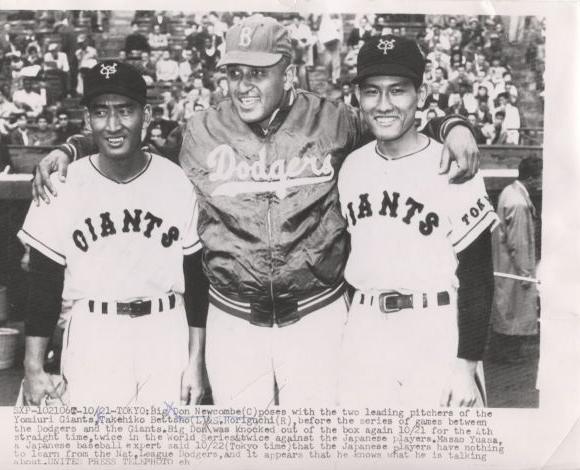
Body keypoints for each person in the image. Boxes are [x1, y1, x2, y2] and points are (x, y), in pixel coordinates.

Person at [32, 15, 480, 406]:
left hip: (316, 316)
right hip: (233, 319)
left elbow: (397, 121)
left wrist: (454, 126)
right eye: (235, 72)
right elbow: (129, 139)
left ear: (288, 74)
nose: (243, 86)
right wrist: (72, 146)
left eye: (259, 72)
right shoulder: (200, 130)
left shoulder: (335, 120)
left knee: (318, 449)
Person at [18, 61, 207, 406]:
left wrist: (196, 360)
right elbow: (43, 285)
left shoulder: (176, 180)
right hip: (94, 332)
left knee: (167, 453)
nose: (114, 125)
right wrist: (33, 366)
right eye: (101, 113)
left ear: (146, 116)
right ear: (87, 121)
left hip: (166, 329)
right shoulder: (60, 184)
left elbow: (196, 280)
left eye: (125, 110)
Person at [337, 35, 499, 407]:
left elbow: (478, 274)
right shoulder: (352, 166)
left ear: (421, 95)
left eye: (398, 90)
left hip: (434, 325)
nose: (384, 104)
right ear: (357, 97)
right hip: (364, 328)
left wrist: (465, 365)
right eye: (371, 92)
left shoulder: (451, 163)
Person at [490, 156, 541, 361]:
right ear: (531, 179)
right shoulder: (519, 203)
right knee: (514, 310)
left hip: (503, 264)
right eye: (539, 178)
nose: (540, 183)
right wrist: (526, 273)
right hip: (513, 268)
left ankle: (502, 351)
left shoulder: (508, 192)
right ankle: (508, 354)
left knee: (506, 308)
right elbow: (518, 243)